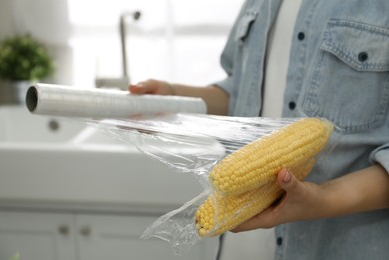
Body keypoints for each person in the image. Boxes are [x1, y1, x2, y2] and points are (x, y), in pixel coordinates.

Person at [129, 0, 389, 259]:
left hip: (332, 245)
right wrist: (173, 99)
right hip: (241, 244)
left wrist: (322, 198)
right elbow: (242, 94)